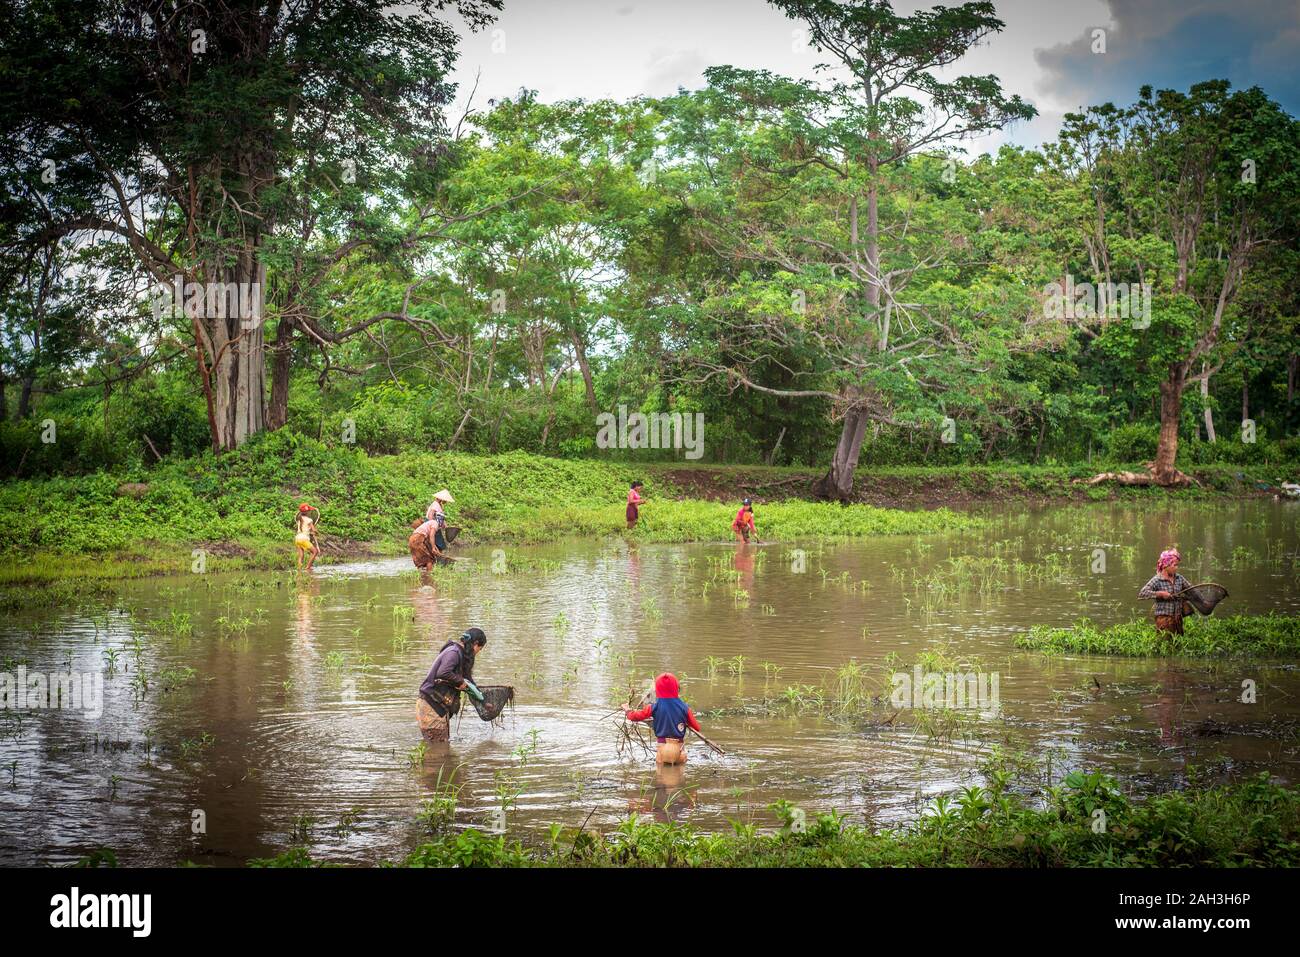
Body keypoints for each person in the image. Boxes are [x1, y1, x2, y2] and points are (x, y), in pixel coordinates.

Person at [416, 628, 488, 744]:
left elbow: (467, 680)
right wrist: (460, 682)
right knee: (438, 747)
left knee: (441, 744)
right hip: (431, 704)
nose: (478, 652)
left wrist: (483, 701)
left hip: (438, 705)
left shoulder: (461, 654)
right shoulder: (454, 652)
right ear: (475, 644)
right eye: (480, 648)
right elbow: (443, 672)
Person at [624, 672, 702, 766]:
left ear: (657, 689)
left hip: (662, 747)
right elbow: (697, 727)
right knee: (679, 773)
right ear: (677, 688)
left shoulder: (654, 707)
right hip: (679, 748)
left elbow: (634, 717)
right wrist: (685, 721)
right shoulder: (684, 707)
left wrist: (628, 710)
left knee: (661, 774)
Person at [1139, 547, 1194, 637]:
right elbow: (1142, 593)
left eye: (1177, 565)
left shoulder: (1179, 578)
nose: (1177, 568)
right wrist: (1160, 594)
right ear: (1165, 565)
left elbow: (1191, 590)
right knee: (1164, 644)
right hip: (1163, 620)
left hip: (1178, 619)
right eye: (1174, 565)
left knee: (1178, 644)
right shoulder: (1157, 579)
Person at [294, 503, 320, 571]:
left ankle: (299, 569)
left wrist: (310, 532)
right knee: (315, 552)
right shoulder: (309, 520)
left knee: (301, 555)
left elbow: (304, 529)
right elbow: (313, 530)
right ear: (307, 512)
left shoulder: (299, 518)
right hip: (304, 539)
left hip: (297, 538)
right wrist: (316, 532)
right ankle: (308, 567)